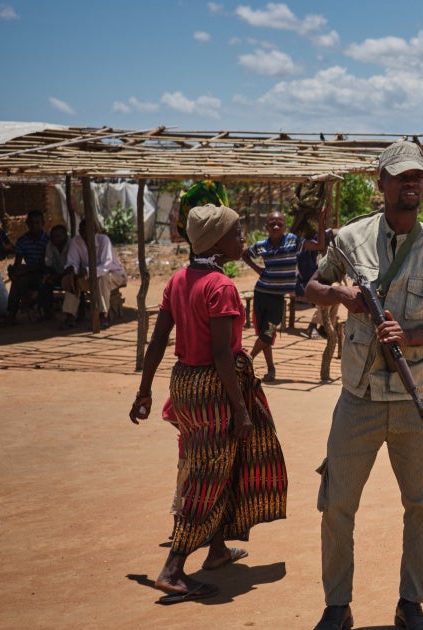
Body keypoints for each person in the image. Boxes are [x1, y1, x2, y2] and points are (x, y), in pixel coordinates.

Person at [304, 140, 423, 630]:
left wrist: (411, 336)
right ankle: (337, 607)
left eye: (418, 176)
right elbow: (310, 287)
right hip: (359, 397)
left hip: (416, 397)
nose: (412, 183)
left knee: (422, 506)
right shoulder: (350, 239)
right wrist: (342, 294)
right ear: (382, 183)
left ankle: (410, 605)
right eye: (402, 176)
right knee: (337, 504)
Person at [128, 204, 288, 605]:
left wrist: (144, 391)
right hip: (215, 389)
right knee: (207, 474)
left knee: (216, 465)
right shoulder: (221, 287)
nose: (243, 239)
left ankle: (216, 550)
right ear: (216, 244)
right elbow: (221, 354)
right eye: (236, 234)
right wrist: (240, 409)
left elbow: (158, 340)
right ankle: (173, 570)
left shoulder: (179, 280)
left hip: (184, 383)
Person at [242, 211, 300, 381]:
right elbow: (244, 253)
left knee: (268, 333)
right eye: (272, 224)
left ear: (285, 226)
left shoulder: (293, 241)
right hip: (261, 294)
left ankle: (248, 359)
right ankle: (271, 369)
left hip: (277, 299)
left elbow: (314, 245)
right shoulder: (261, 245)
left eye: (279, 224)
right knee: (263, 334)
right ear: (266, 227)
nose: (276, 227)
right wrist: (257, 269)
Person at [61, 219, 127, 329]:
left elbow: (106, 266)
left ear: (95, 231)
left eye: (87, 231)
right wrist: (73, 270)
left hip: (114, 275)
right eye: (82, 231)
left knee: (102, 278)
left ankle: (102, 316)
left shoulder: (104, 240)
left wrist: (86, 271)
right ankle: (70, 316)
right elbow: (73, 262)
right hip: (90, 277)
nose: (84, 234)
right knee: (72, 279)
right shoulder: (76, 241)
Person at [5, 211, 49, 323]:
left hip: (44, 272)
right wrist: (15, 272)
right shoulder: (22, 241)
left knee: (43, 280)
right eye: (31, 223)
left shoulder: (48, 240)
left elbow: (45, 263)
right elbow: (18, 262)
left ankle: (45, 311)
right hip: (30, 273)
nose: (34, 226)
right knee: (17, 281)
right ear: (27, 224)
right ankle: (12, 313)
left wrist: (24, 270)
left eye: (37, 223)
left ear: (43, 223)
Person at [294, 205, 330, 340]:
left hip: (310, 281)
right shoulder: (294, 241)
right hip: (298, 283)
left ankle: (324, 326)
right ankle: (314, 324)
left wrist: (321, 221)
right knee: (324, 295)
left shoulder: (309, 242)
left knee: (335, 292)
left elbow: (321, 244)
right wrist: (299, 218)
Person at [40, 224, 71, 320]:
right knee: (44, 283)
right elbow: (48, 264)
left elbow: (72, 267)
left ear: (65, 236)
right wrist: (49, 275)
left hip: (70, 275)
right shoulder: (50, 245)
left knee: (71, 283)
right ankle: (48, 312)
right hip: (57, 274)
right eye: (53, 237)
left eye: (58, 236)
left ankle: (71, 315)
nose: (54, 239)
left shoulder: (71, 245)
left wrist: (57, 276)